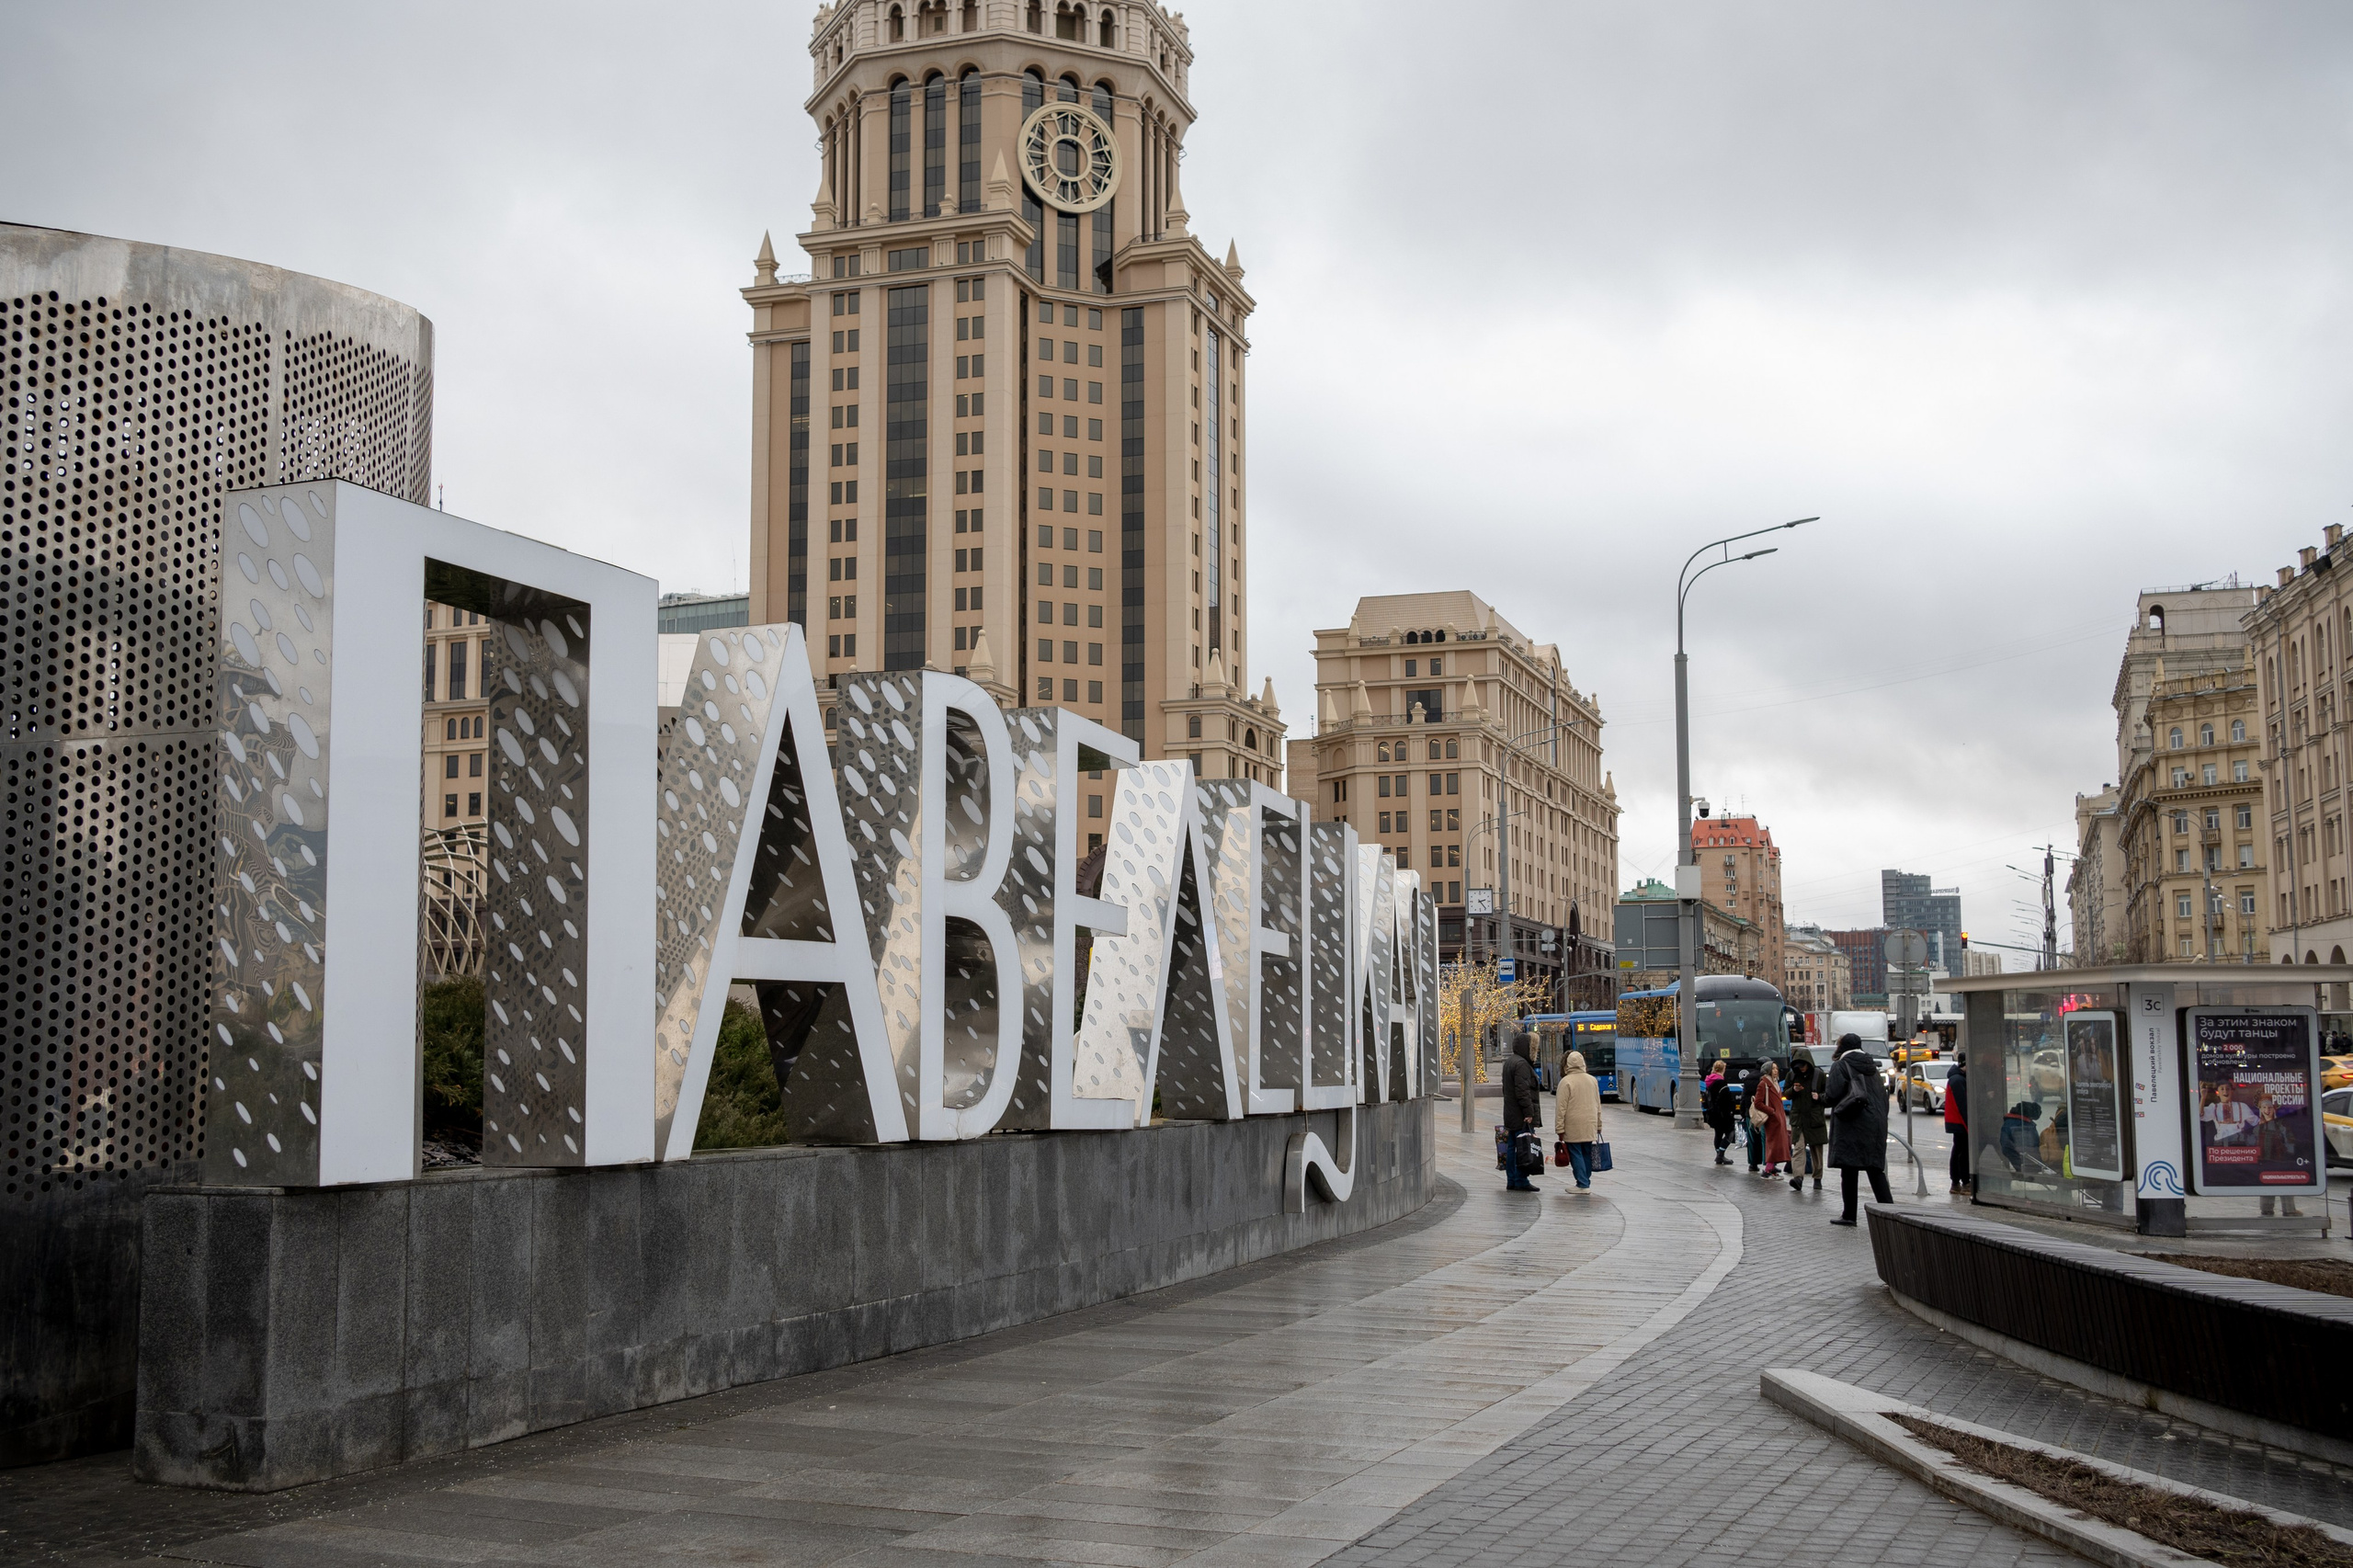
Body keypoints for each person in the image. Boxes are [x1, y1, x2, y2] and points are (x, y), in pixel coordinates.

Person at [1824, 1033, 1893, 1226]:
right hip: (1875, 1123)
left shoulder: (1841, 1065)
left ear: (1842, 1047)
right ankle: (1890, 1213)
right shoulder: (1872, 1067)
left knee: (1849, 1169)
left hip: (1851, 1123)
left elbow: (1832, 1094)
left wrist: (1819, 1098)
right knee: (1875, 1169)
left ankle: (1849, 1215)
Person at [1553, 1048, 1604, 1190]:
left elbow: (1561, 1108)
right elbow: (1598, 1104)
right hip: (1590, 1123)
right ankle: (1586, 1181)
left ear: (1568, 1064)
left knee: (1575, 1153)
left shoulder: (1566, 1082)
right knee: (1586, 1152)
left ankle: (1582, 1184)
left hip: (1573, 1124)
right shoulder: (1592, 1080)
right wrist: (1599, 1124)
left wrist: (1559, 1128)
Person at [1502, 1030, 1541, 1192]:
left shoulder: (1510, 1061)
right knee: (1523, 1146)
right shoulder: (1522, 1064)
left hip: (1511, 1112)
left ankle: (1512, 1179)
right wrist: (1529, 1113)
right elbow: (1523, 1091)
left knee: (1512, 1146)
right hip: (1520, 1114)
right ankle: (1521, 1180)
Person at [1785, 1054, 1828, 1192]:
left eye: (1803, 1066)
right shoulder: (1792, 1075)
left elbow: (1829, 1095)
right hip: (1798, 1119)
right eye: (1799, 1067)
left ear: (1808, 1063)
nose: (1801, 1069)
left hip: (1815, 1119)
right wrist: (1794, 1090)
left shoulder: (1819, 1075)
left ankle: (1817, 1178)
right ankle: (1798, 1178)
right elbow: (1785, 1093)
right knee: (1798, 1148)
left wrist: (1819, 1097)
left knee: (1817, 1151)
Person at [1753, 1061, 1790, 1178]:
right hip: (1772, 1119)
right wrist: (1771, 1111)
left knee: (1778, 1144)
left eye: (1776, 1068)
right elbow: (1758, 1103)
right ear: (1768, 1070)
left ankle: (1772, 1168)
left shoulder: (1776, 1083)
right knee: (1773, 1144)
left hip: (1779, 1119)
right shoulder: (1763, 1084)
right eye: (1773, 1068)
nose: (1776, 1070)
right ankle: (1768, 1170)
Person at [1944, 1059, 1971, 1196]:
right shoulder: (1958, 1080)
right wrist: (1969, 1125)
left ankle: (1956, 1183)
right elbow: (1962, 1105)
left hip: (1957, 1121)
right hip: (1959, 1122)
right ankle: (1963, 1182)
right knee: (1962, 1153)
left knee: (1959, 1151)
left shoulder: (1957, 1078)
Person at [1703, 1062, 1736, 1165]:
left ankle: (1719, 1155)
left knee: (1718, 1134)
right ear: (1723, 1069)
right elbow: (1726, 1099)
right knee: (1730, 1133)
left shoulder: (1709, 1081)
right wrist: (1731, 1109)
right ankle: (1721, 1155)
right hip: (1723, 1114)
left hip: (1712, 1113)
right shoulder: (1721, 1082)